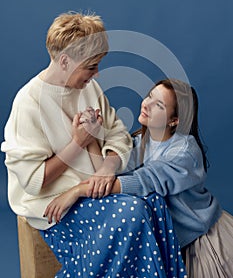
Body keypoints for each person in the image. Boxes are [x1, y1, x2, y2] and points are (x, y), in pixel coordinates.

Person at [1, 14, 187, 278]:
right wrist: (79, 142)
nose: (97, 73)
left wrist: (107, 168)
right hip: (55, 206)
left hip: (93, 191)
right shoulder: (29, 103)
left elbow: (119, 136)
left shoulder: (90, 88)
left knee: (155, 202)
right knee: (131, 212)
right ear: (65, 61)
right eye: (91, 66)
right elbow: (34, 181)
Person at [46, 78, 233, 277]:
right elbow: (105, 174)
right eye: (150, 96)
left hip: (203, 239)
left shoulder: (184, 150)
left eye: (159, 105)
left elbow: (145, 180)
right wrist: (91, 136)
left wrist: (76, 191)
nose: (147, 104)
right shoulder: (139, 142)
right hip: (170, 241)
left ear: (174, 120)